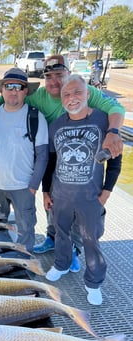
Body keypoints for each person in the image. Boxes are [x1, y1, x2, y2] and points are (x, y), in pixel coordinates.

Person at [0, 54, 124, 270]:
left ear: (69, 74)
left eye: (59, 75)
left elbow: (116, 108)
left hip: (84, 166)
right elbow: (8, 97)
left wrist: (114, 132)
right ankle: (54, 240)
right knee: (53, 206)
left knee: (81, 218)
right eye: (49, 76)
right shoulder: (38, 96)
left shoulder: (85, 92)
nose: (55, 82)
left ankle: (75, 251)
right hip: (54, 159)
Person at [43, 74, 122, 305]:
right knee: (61, 233)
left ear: (88, 94)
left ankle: (94, 282)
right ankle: (62, 264)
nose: (72, 98)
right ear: (62, 100)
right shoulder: (56, 126)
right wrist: (47, 191)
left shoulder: (104, 122)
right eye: (67, 94)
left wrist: (105, 194)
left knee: (91, 240)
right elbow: (50, 162)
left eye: (77, 92)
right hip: (61, 195)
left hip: (91, 197)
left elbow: (115, 162)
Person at [0, 68, 48, 252]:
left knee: (25, 231)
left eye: (19, 86)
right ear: (2, 89)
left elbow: (42, 155)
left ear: (25, 91)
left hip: (23, 187)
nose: (13, 91)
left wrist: (33, 186)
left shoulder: (35, 117)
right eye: (9, 86)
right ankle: (1, 262)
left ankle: (25, 266)